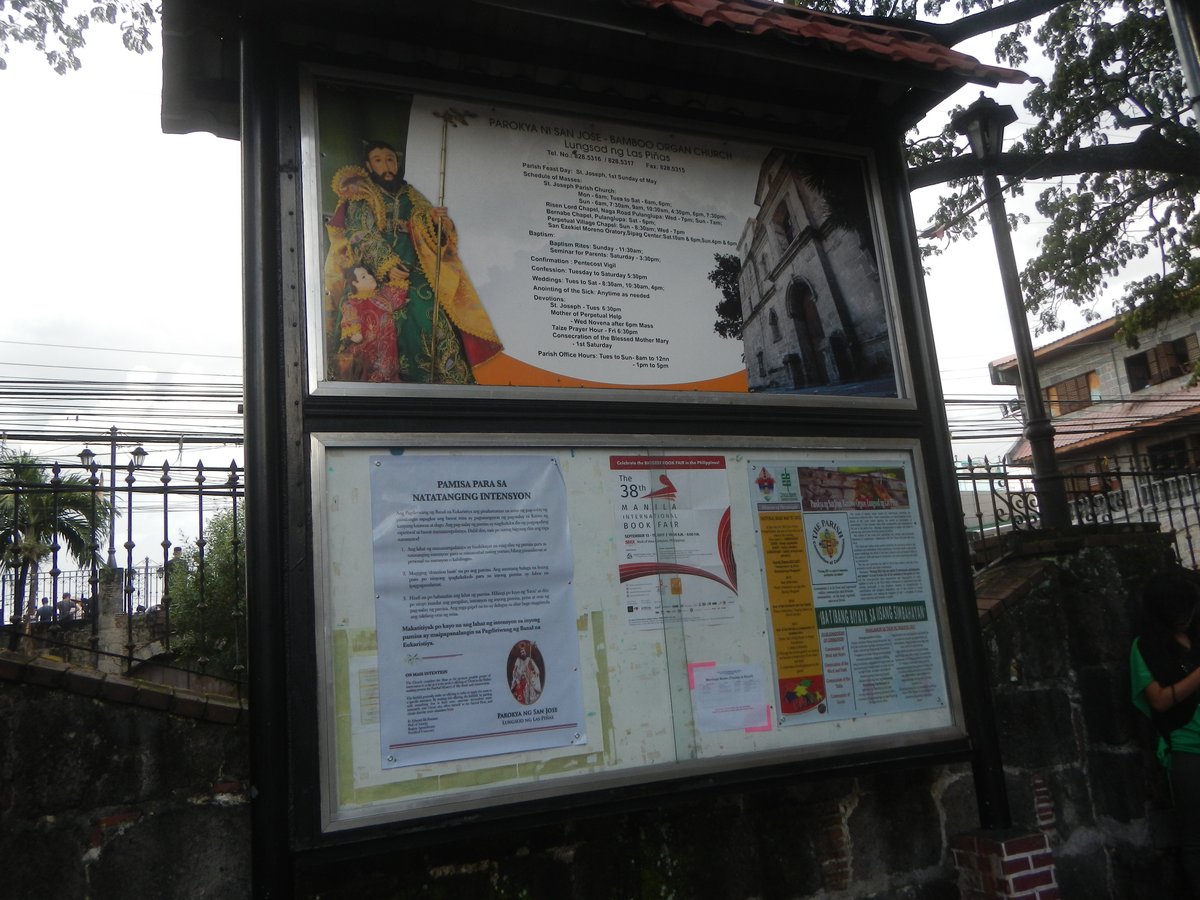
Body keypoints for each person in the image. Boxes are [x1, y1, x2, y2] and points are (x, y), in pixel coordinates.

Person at [324, 140, 502, 384]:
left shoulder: (412, 196)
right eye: (379, 160)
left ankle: (444, 381)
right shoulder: (362, 196)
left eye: (390, 160)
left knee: (432, 312)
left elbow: (433, 236)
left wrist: (436, 223)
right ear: (369, 165)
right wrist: (386, 264)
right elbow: (360, 233)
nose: (386, 166)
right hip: (375, 274)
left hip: (417, 270)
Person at [1131, 568, 1200, 896]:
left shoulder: (1196, 635)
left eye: (1189, 608)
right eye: (1177, 611)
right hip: (1188, 746)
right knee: (1195, 836)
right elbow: (1158, 700)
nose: (1185, 617)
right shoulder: (1146, 648)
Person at [336, 265, 407, 382]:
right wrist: (354, 333)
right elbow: (351, 326)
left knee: (387, 372)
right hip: (367, 350)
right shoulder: (352, 304)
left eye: (369, 274)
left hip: (387, 350)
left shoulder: (383, 296)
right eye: (364, 277)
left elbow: (398, 295)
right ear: (355, 284)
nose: (370, 277)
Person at [510, 641, 543, 705]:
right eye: (521, 652)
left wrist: (533, 669)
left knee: (530, 693)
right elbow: (515, 671)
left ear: (525, 652)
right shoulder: (518, 660)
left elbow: (536, 670)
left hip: (529, 679)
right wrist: (517, 678)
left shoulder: (529, 659)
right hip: (520, 680)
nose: (522, 653)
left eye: (523, 651)